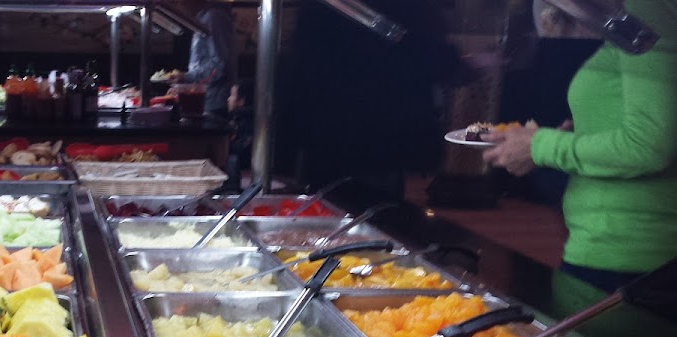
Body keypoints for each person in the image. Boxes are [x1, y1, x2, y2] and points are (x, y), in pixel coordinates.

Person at [483, 0, 677, 292]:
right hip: (612, 245)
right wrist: (577, 132)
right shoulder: (632, 15)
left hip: (628, 253)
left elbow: (649, 145)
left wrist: (541, 145)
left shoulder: (647, 8)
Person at [276, 0, 470, 200]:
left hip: (324, 130)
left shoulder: (322, 8)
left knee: (327, 203)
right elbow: (427, 55)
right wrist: (457, 63)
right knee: (376, 207)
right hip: (380, 132)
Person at [170, 0, 234, 117]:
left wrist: (186, 77)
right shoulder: (202, 18)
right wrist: (184, 85)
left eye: (178, 2)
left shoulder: (214, 17)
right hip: (204, 100)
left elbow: (220, 66)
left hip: (213, 102)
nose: (178, 6)